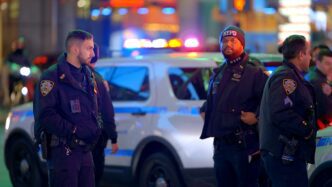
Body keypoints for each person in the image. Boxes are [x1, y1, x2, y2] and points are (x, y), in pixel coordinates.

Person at [33, 30, 118, 187]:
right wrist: (73, 130)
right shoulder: (51, 77)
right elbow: (45, 115)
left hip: (86, 150)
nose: (93, 53)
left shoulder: (89, 76)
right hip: (64, 151)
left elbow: (97, 108)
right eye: (89, 48)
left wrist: (95, 129)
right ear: (75, 49)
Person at [200, 25, 268, 187]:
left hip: (244, 146)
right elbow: (215, 101)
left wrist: (257, 117)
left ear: (242, 44)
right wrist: (205, 110)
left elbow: (270, 103)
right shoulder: (218, 72)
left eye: (232, 40)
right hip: (221, 147)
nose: (228, 44)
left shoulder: (254, 73)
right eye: (224, 41)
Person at [259, 35, 317, 187]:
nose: (310, 57)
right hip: (284, 154)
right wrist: (306, 129)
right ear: (301, 55)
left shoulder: (290, 76)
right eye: (308, 53)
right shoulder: (287, 78)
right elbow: (281, 112)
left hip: (287, 154)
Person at [89, 43, 119, 187]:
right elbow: (107, 111)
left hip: (77, 140)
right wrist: (113, 137)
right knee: (95, 174)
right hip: (96, 137)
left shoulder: (71, 76)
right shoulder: (98, 79)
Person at [306, 49, 332, 129]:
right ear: (318, 62)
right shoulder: (317, 81)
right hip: (319, 127)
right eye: (327, 64)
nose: (331, 67)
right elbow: (326, 109)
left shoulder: (313, 74)